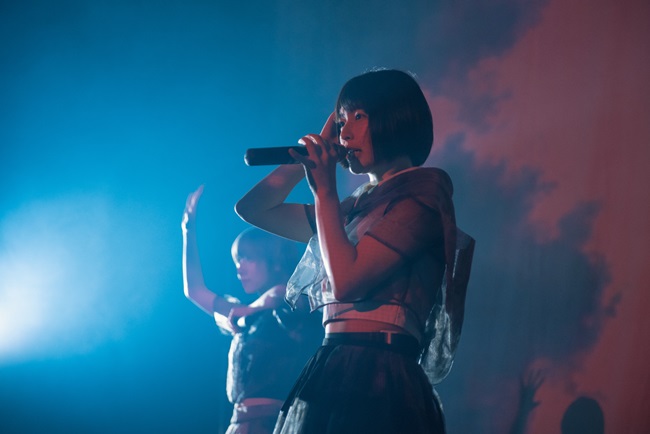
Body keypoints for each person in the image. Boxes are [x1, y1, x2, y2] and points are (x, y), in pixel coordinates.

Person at [235, 68, 475, 434]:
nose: (344, 132)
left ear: (396, 117)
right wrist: (308, 156)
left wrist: (324, 191)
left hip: (380, 374)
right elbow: (253, 209)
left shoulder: (423, 198)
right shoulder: (354, 206)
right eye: (341, 121)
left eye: (358, 116)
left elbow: (347, 283)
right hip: (333, 363)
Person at [182, 185, 322, 434]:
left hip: (274, 424)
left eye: (248, 258)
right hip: (239, 425)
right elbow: (195, 291)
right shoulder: (245, 312)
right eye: (237, 260)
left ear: (273, 260)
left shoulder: (291, 305)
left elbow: (281, 292)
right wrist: (188, 231)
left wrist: (250, 310)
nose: (240, 267)